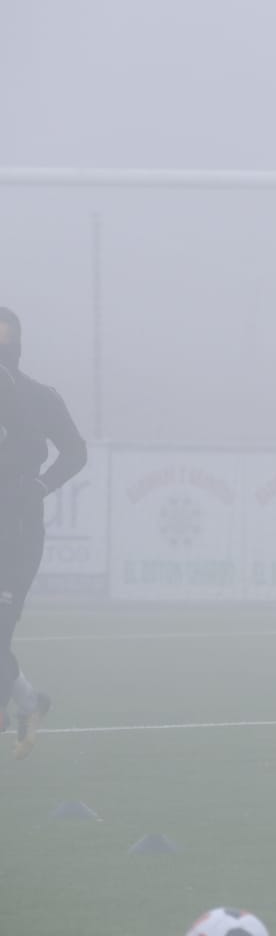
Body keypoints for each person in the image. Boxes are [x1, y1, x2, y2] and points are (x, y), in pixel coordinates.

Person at [0, 307, 88, 759]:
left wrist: (39, 486)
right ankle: (32, 704)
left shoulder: (37, 398)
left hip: (15, 534)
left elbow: (75, 451)